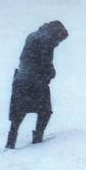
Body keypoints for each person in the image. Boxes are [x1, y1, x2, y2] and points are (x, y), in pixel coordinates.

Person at [6, 20, 69, 149]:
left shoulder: (33, 35)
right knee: (45, 110)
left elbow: (25, 58)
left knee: (18, 112)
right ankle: (37, 138)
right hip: (35, 82)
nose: (58, 44)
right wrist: (51, 73)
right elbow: (45, 62)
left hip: (21, 79)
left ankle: (10, 142)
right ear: (56, 33)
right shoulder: (47, 41)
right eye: (60, 40)